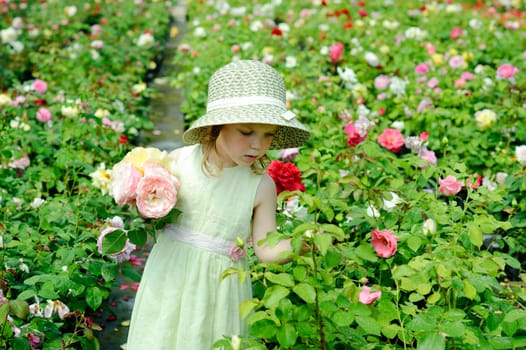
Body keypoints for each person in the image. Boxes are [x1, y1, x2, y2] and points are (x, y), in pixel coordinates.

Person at [125, 60, 310, 349]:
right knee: (162, 336)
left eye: (268, 134)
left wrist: (303, 244)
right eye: (246, 132)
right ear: (217, 126)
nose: (257, 145)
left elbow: (266, 248)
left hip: (221, 290)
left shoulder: (260, 185)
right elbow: (151, 214)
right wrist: (141, 199)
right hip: (170, 278)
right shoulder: (176, 164)